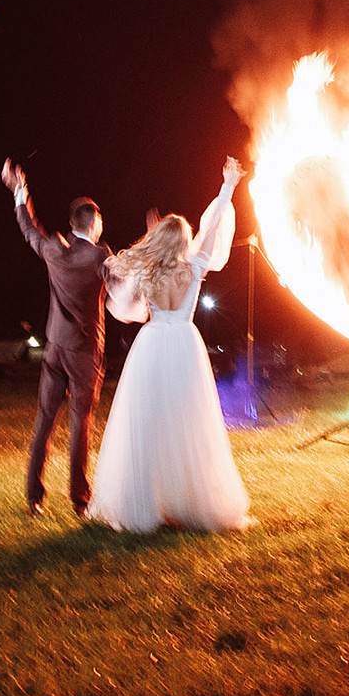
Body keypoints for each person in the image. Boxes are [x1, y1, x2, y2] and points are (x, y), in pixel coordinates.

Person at [86, 156, 252, 533]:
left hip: (151, 345)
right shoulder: (195, 267)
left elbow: (128, 295)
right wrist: (227, 186)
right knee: (188, 422)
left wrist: (152, 237)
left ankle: (145, 503)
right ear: (186, 242)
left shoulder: (147, 269)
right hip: (184, 344)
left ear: (159, 241)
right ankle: (188, 500)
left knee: (148, 422)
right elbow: (212, 228)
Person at [5, 158, 111, 517]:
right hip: (84, 353)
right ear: (93, 224)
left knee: (44, 420)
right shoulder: (100, 256)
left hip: (54, 347)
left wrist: (20, 192)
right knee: (80, 424)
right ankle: (80, 500)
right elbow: (121, 280)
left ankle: (34, 497)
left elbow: (29, 229)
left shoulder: (53, 248)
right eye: (100, 221)